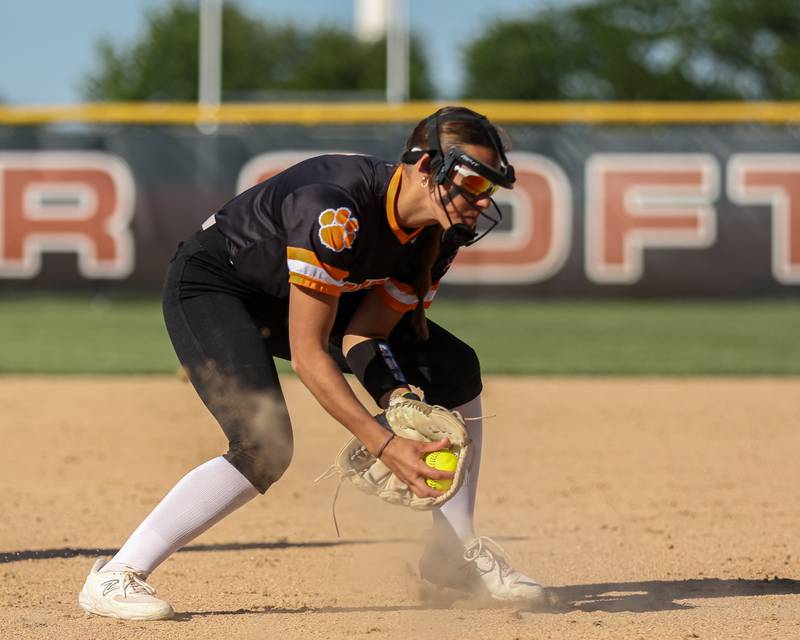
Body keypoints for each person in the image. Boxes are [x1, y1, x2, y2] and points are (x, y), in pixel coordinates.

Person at [78, 106, 545, 620]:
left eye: (490, 188)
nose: (482, 201)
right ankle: (117, 574)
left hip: (292, 296)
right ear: (421, 165)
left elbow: (365, 333)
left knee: (452, 367)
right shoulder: (335, 209)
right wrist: (384, 442)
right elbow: (309, 352)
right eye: (472, 181)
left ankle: (452, 554)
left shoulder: (438, 234)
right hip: (215, 288)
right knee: (264, 444)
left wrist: (400, 398)